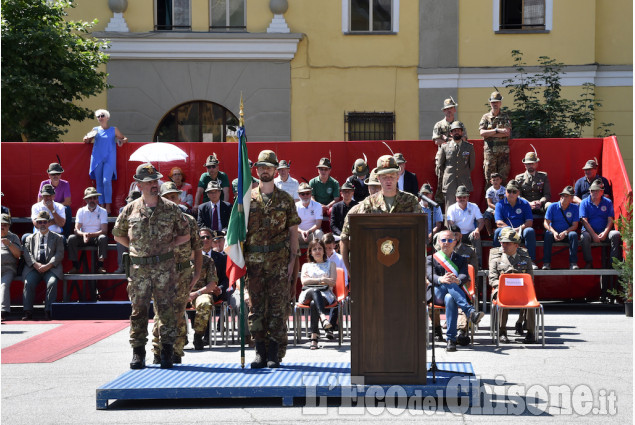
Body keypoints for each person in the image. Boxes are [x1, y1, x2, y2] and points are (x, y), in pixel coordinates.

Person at [112, 163, 191, 370]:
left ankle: (166, 352)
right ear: (139, 185)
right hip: (139, 270)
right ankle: (138, 353)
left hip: (164, 268)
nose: (154, 185)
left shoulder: (171, 208)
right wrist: (135, 247)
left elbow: (186, 233)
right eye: (149, 182)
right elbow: (117, 233)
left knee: (166, 311)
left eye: (155, 181)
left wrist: (171, 244)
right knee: (138, 311)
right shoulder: (130, 209)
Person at [245, 150, 300, 369]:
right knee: (257, 307)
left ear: (275, 170)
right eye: (261, 167)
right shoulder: (247, 198)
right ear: (256, 170)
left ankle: (275, 353)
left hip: (279, 260)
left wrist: (292, 261)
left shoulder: (285, 199)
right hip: (254, 262)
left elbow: (293, 232)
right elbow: (239, 233)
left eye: (269, 167)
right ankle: (260, 351)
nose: (265, 170)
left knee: (278, 307)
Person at [340, 156, 420, 277]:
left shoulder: (411, 201)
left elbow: (420, 236)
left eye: (392, 176)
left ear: (398, 176)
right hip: (373, 270)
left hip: (403, 268)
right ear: (378, 178)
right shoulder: (368, 204)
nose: (388, 180)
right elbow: (345, 238)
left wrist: (420, 269)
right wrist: (350, 271)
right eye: (384, 177)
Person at [150, 182, 203, 364]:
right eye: (168, 197)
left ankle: (176, 350)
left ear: (179, 198)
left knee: (179, 313)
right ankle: (158, 350)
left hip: (182, 273)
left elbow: (197, 248)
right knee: (161, 313)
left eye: (175, 196)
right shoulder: (155, 220)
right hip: (161, 273)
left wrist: (197, 273)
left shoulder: (189, 220)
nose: (172, 200)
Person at [426, 229, 484, 352]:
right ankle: (470, 311)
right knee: (448, 283)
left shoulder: (461, 259)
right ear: (439, 242)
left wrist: (457, 280)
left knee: (450, 298)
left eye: (450, 240)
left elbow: (464, 275)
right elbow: (430, 276)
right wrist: (442, 279)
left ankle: (451, 340)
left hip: (452, 295)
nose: (446, 242)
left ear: (455, 242)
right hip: (437, 293)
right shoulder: (431, 258)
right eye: (443, 240)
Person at [489, 227, 536, 344]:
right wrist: (504, 287)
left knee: (531, 299)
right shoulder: (496, 256)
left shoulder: (524, 256)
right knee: (502, 295)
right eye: (502, 243)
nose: (503, 246)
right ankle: (502, 331)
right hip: (501, 289)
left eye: (507, 243)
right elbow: (492, 278)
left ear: (516, 245)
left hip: (521, 290)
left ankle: (530, 332)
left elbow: (530, 278)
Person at [22, 211, 65, 321]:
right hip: (34, 268)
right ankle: (28, 312)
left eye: (44, 222)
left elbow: (59, 254)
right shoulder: (29, 238)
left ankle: (48, 311)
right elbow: (27, 253)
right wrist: (35, 264)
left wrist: (48, 265)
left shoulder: (58, 238)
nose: (42, 224)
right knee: (28, 282)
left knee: (52, 282)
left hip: (51, 268)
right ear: (36, 223)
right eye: (39, 222)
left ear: (49, 223)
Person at [84, 109, 128, 214]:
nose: (100, 118)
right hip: (97, 158)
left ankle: (108, 207)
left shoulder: (114, 129)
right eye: (98, 116)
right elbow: (86, 140)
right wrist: (88, 137)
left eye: (102, 115)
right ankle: (101, 206)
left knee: (106, 181)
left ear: (107, 117)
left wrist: (121, 140)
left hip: (109, 158)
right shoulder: (95, 129)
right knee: (99, 182)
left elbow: (124, 138)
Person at [299, 239, 337, 349]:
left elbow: (332, 282)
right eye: (314, 249)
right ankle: (323, 317)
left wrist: (313, 280)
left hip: (326, 294)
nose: (317, 251)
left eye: (320, 248)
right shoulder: (306, 265)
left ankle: (314, 337)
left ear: (324, 251)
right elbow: (304, 282)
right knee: (315, 291)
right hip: (307, 293)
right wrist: (322, 280)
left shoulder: (331, 264)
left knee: (313, 304)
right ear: (310, 252)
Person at [188, 229, 220, 351]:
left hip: (201, 292)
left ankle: (198, 335)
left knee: (205, 303)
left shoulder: (207, 260)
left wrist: (196, 293)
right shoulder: (178, 260)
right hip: (181, 293)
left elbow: (212, 284)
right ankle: (178, 338)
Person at [493, 180, 537, 268]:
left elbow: (529, 222)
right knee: (498, 232)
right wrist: (510, 230)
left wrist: (518, 229)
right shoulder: (500, 204)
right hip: (506, 231)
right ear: (505, 192)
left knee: (530, 231)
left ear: (518, 193)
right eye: (509, 191)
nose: (511, 194)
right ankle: (497, 261)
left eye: (514, 191)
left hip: (521, 230)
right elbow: (499, 223)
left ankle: (531, 261)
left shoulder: (524, 204)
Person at [432, 98, 469, 205]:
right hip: (443, 159)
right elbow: (436, 141)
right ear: (443, 111)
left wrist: (446, 139)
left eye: (451, 108)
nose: (449, 111)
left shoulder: (459, 125)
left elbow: (464, 139)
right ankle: (439, 213)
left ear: (454, 110)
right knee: (441, 184)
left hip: (457, 159)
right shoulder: (439, 125)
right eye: (446, 109)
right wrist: (449, 140)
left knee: (458, 184)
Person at [579, 179, 622, 269]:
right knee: (584, 237)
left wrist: (605, 233)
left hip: (604, 232)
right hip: (589, 233)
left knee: (616, 234)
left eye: (597, 191)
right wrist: (594, 235)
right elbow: (584, 221)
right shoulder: (584, 203)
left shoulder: (608, 202)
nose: (594, 193)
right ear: (589, 191)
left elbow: (610, 220)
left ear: (602, 192)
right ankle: (589, 262)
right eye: (592, 190)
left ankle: (613, 264)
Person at [67, 187, 109, 274]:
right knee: (71, 238)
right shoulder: (81, 211)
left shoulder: (103, 211)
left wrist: (90, 235)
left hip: (96, 236)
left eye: (94, 198)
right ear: (86, 200)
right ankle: (75, 266)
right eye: (90, 198)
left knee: (103, 238)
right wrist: (84, 234)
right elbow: (76, 229)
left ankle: (100, 266)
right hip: (84, 236)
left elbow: (104, 230)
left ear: (97, 199)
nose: (92, 200)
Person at [438, 121, 475, 210]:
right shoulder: (444, 147)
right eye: (454, 131)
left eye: (458, 130)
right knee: (449, 208)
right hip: (450, 182)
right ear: (451, 133)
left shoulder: (469, 147)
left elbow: (472, 165)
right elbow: (440, 165)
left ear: (462, 132)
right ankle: (449, 225)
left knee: (464, 208)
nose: (456, 132)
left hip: (464, 181)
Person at [446, 185, 484, 267]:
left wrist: (477, 230)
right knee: (452, 237)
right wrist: (456, 233)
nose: (462, 199)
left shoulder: (474, 206)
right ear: (456, 198)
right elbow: (450, 223)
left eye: (464, 197)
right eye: (460, 197)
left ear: (467, 198)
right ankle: (452, 263)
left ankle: (478, 264)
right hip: (457, 233)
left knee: (476, 236)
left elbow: (481, 221)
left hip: (470, 233)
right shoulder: (451, 208)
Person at [543, 186, 580, 270]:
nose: (563, 197)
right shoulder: (552, 206)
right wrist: (554, 232)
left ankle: (573, 263)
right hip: (554, 233)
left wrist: (565, 232)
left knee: (573, 235)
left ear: (571, 198)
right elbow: (546, 223)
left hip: (566, 234)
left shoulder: (575, 208)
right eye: (562, 195)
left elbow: (575, 225)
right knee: (547, 234)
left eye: (566, 196)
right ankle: (546, 263)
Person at [479, 91, 512, 184]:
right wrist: (497, 130)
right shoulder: (485, 117)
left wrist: (490, 133)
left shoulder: (505, 117)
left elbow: (507, 133)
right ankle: (489, 198)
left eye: (497, 102)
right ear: (490, 103)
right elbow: (482, 133)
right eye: (493, 102)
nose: (495, 104)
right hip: (490, 151)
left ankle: (503, 198)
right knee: (489, 178)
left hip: (503, 152)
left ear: (500, 103)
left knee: (503, 178)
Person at [37, 162, 72, 237]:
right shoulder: (44, 183)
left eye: (58, 174)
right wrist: (50, 206)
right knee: (37, 208)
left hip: (59, 208)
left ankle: (66, 236)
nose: (55, 176)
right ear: (49, 175)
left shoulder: (65, 184)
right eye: (53, 174)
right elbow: (39, 201)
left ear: (61, 174)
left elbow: (68, 202)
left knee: (67, 209)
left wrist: (54, 206)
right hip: (46, 207)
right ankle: (38, 234)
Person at [323, 232, 347, 331]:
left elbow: (344, 276)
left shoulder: (340, 258)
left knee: (336, 298)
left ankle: (331, 325)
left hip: (336, 287)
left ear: (334, 245)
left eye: (330, 248)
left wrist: (342, 286)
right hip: (324, 287)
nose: (328, 250)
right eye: (326, 248)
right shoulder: (320, 258)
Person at [1, 214, 21, 320]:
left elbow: (18, 255)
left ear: (9, 226)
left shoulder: (13, 237)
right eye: (0, 224)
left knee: (3, 284)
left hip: (8, 268)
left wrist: (9, 244)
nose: (2, 227)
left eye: (5, 225)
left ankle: (2, 312)